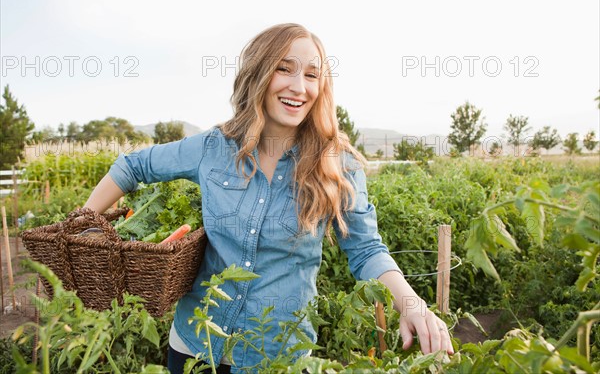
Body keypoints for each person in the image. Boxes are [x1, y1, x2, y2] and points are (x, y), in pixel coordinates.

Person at [84, 23, 454, 373]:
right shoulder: (213, 148)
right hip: (196, 347)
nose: (299, 86)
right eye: (284, 69)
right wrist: (80, 224)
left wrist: (411, 303)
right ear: (259, 75)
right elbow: (132, 166)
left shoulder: (336, 163)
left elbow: (366, 248)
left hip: (278, 356)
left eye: (311, 75)